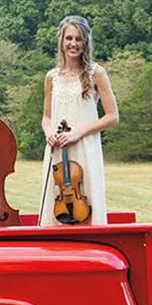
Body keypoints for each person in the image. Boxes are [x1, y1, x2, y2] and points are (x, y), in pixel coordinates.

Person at [37, 15, 119, 226]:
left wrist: (78, 133)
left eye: (78, 39)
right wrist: (49, 134)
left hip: (84, 146)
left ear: (85, 43)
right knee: (56, 203)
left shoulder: (96, 73)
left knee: (87, 199)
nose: (73, 44)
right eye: (69, 38)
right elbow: (46, 117)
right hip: (57, 149)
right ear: (61, 41)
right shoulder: (51, 77)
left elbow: (112, 117)